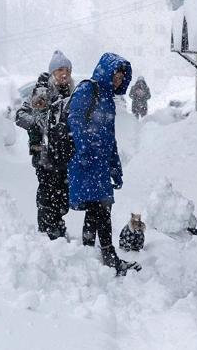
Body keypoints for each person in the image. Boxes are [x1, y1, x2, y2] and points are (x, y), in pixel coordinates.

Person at [67, 52, 141, 276]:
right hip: (85, 162)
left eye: (121, 77)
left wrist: (115, 167)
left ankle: (91, 255)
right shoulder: (88, 89)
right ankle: (109, 258)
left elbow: (110, 137)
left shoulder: (108, 99)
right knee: (101, 209)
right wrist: (84, 151)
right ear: (106, 71)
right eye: (115, 75)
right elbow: (75, 122)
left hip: (99, 164)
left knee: (97, 209)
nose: (118, 80)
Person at [15, 50, 75, 240]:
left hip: (64, 155)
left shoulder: (73, 93)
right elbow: (20, 116)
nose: (64, 74)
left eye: (67, 70)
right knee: (48, 193)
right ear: (52, 74)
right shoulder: (42, 92)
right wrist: (40, 125)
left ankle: (57, 226)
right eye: (59, 70)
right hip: (44, 155)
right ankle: (47, 231)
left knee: (63, 195)